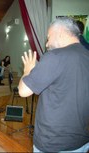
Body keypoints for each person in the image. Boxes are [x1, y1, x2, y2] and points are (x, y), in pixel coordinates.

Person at [18, 17, 89, 152]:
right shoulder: (87, 55)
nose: (46, 44)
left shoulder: (55, 56)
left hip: (54, 143)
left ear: (60, 32)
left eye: (48, 37)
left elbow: (23, 91)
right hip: (82, 141)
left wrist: (27, 71)